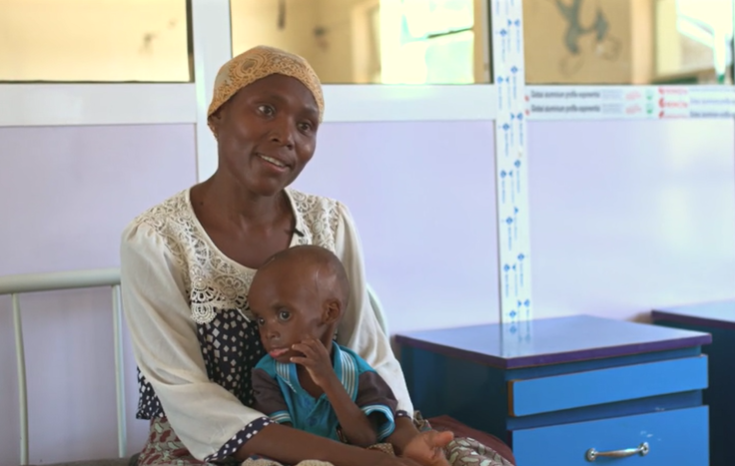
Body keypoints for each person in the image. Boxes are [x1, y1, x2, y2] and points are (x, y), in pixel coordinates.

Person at [120, 45, 514, 466]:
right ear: (217, 118)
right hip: (214, 441)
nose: (287, 135)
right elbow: (188, 396)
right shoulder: (157, 241)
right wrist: (363, 461)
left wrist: (404, 437)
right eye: (266, 109)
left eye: (305, 125)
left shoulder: (331, 222)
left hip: (339, 423)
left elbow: (369, 349)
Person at [249, 245, 440, 459]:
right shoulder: (267, 374)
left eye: (284, 315)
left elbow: (366, 438)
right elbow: (279, 440)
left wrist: (328, 380)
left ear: (329, 312)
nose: (268, 332)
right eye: (261, 320)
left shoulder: (359, 373)